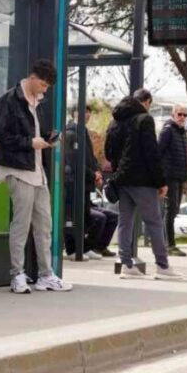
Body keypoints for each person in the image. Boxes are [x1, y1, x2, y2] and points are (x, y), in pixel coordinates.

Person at [0, 59, 72, 294]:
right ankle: (17, 274)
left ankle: (46, 275)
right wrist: (30, 143)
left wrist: (50, 138)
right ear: (33, 78)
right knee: (21, 224)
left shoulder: (39, 103)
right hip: (18, 170)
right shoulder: (8, 100)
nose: (44, 90)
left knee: (44, 225)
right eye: (43, 85)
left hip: (38, 172)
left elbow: (39, 132)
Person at [104, 89, 182, 280]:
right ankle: (162, 266)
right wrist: (161, 181)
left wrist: (118, 171)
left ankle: (126, 264)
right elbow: (151, 153)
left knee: (125, 221)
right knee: (154, 221)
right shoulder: (144, 120)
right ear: (146, 102)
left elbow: (108, 152)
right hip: (142, 180)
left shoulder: (115, 122)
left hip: (122, 180)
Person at [64, 104, 117, 260]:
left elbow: (90, 158)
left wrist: (97, 173)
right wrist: (93, 174)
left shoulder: (83, 132)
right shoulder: (71, 133)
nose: (87, 115)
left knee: (84, 217)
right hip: (73, 183)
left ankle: (84, 247)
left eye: (88, 112)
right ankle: (72, 249)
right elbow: (74, 161)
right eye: (83, 112)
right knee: (73, 217)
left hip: (85, 182)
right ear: (73, 113)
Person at [157, 104, 187, 257]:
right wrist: (161, 177)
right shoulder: (168, 130)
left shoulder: (182, 132)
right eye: (179, 114)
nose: (182, 117)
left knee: (174, 210)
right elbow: (158, 153)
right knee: (170, 210)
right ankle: (169, 245)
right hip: (169, 176)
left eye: (185, 115)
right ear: (173, 115)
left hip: (179, 176)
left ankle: (168, 243)